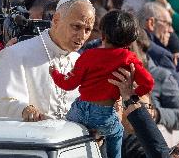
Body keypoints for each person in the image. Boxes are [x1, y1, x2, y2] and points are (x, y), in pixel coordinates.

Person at [0, 0, 96, 121]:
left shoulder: (80, 60)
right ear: (56, 20)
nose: (82, 36)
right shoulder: (17, 54)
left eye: (88, 30)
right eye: (77, 27)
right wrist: (23, 109)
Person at [49, 10, 154, 158]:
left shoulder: (87, 55)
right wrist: (131, 93)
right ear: (131, 41)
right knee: (117, 132)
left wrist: (54, 73)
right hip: (103, 115)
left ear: (103, 35)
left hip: (78, 110)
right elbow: (148, 83)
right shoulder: (128, 59)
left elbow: (68, 84)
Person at [137, 2, 179, 107]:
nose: (171, 30)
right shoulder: (160, 54)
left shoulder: (132, 44)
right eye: (168, 24)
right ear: (151, 23)